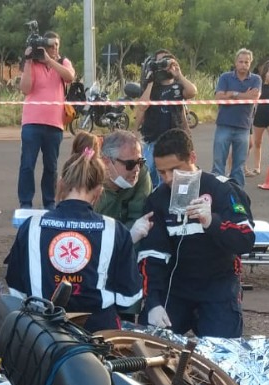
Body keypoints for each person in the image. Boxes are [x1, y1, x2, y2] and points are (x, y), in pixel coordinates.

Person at [5, 144, 142, 332]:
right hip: (99, 334)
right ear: (99, 192)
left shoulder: (31, 225)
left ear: (60, 183)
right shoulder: (115, 230)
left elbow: (16, 289)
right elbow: (130, 297)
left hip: (41, 332)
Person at [138, 129, 256, 338]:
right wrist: (153, 301)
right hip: (176, 287)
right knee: (150, 346)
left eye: (175, 170)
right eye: (161, 172)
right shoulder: (158, 199)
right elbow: (151, 255)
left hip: (218, 285)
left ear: (192, 158)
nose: (167, 179)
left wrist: (213, 222)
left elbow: (246, 240)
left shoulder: (223, 189)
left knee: (223, 356)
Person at [17, 31, 76, 210]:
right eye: (51, 45)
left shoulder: (63, 62)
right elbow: (25, 89)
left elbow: (70, 77)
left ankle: (49, 202)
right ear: (43, 45)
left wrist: (50, 61)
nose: (54, 48)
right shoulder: (32, 63)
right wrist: (29, 60)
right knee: (27, 164)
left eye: (57, 44)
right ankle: (25, 202)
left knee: (51, 166)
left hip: (55, 123)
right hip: (32, 122)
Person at [136, 50, 197, 188]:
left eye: (166, 61)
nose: (164, 65)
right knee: (148, 173)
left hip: (175, 138)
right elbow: (142, 107)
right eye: (160, 62)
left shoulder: (178, 86)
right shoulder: (151, 87)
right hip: (153, 138)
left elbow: (192, 92)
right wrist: (150, 81)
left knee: (176, 175)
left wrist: (178, 74)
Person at [212, 49, 261, 188]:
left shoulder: (256, 79)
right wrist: (242, 95)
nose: (243, 65)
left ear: (250, 63)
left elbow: (254, 97)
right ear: (235, 62)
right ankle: (217, 191)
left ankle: (237, 193)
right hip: (224, 124)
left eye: (247, 62)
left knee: (239, 166)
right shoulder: (225, 77)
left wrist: (231, 94)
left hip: (243, 127)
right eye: (241, 61)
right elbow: (218, 97)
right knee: (218, 163)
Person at [96, 129, 153, 227]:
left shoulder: (142, 173)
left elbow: (140, 217)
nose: (137, 169)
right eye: (130, 164)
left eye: (140, 162)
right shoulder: (90, 184)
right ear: (106, 162)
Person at [246, 61, 269, 177]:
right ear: (265, 73)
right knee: (257, 142)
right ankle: (257, 167)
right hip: (259, 115)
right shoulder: (259, 84)